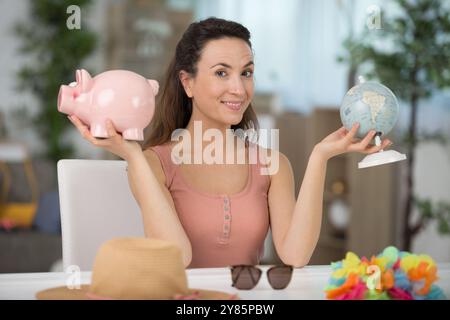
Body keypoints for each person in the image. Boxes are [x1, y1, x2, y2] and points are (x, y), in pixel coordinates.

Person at [68, 17, 392, 269]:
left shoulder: (273, 165)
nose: (239, 88)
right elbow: (176, 258)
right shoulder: (153, 165)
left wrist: (321, 157)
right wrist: (133, 157)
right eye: (222, 73)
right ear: (188, 82)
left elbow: (294, 256)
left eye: (246, 72)